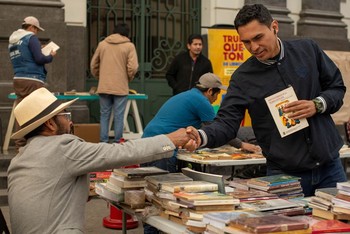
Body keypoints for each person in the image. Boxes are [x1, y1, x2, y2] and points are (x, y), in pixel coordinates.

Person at [187, 4, 347, 197]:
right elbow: (226, 123)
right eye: (246, 42)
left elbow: (337, 87)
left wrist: (317, 104)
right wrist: (202, 136)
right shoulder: (242, 77)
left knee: (339, 226)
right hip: (284, 175)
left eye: (258, 38)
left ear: (274, 27)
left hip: (330, 167)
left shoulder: (308, 50)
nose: (253, 47)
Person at [7, 87, 197, 234]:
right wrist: (170, 140)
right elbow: (122, 152)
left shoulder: (20, 158)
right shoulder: (61, 146)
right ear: (50, 124)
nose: (70, 122)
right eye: (65, 116)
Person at [8, 16, 57, 149]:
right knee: (37, 111)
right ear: (31, 27)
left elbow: (25, 55)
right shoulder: (31, 38)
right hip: (33, 79)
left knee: (21, 111)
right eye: (37, 30)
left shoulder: (13, 40)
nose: (37, 33)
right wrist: (50, 56)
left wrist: (37, 48)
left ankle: (20, 145)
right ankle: (34, 145)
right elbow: (40, 59)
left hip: (18, 79)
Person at [90, 23, 139, 143]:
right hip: (120, 87)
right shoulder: (129, 46)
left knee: (104, 115)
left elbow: (93, 65)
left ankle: (103, 142)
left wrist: (100, 77)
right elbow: (133, 67)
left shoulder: (103, 44)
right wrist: (127, 78)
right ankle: (118, 142)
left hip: (104, 86)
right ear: (127, 33)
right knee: (119, 116)